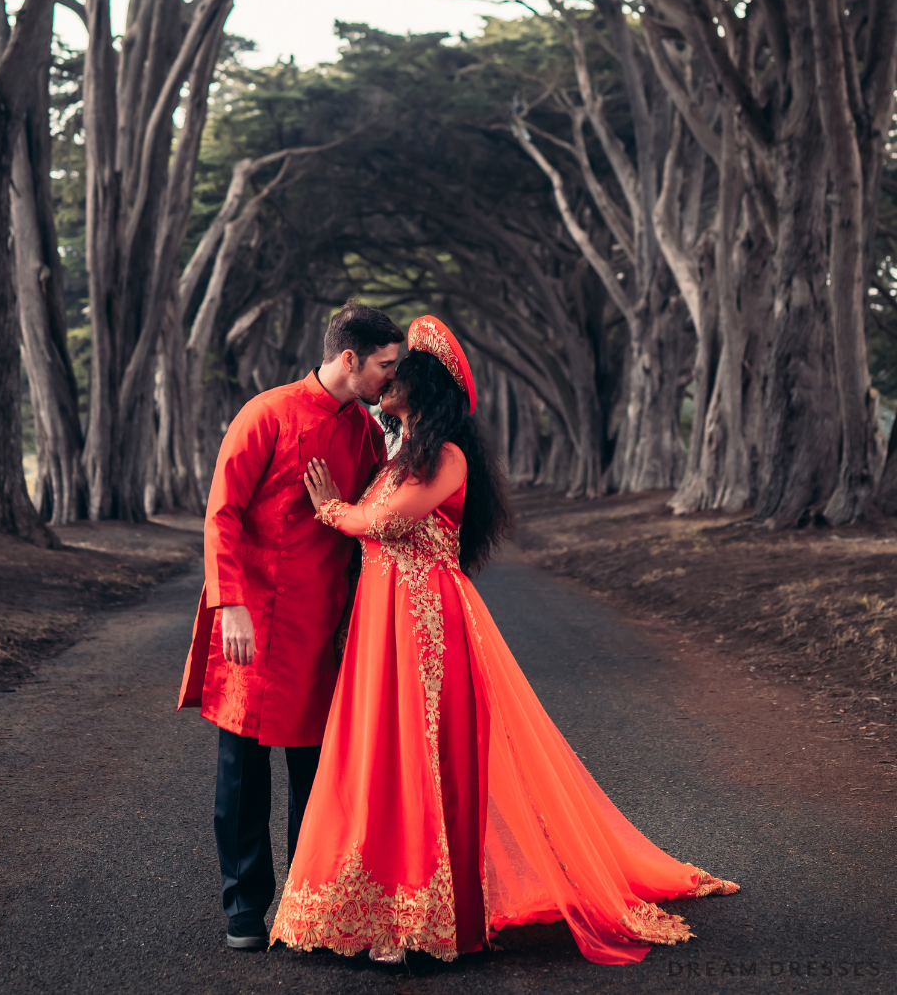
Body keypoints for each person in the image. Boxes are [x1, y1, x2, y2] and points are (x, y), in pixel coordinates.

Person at [269, 315, 739, 966]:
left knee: (425, 761)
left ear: (423, 389)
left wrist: (332, 512)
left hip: (427, 625)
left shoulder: (450, 458)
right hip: (385, 621)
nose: (386, 381)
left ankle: (428, 919)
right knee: (378, 756)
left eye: (397, 374)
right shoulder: (401, 454)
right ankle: (369, 909)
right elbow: (376, 523)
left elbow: (385, 520)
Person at [177, 300, 404, 951]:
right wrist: (232, 605)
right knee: (242, 773)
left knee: (317, 773)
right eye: (385, 368)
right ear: (350, 359)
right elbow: (222, 513)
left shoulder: (366, 432)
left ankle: (310, 907)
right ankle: (245, 910)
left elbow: (369, 521)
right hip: (250, 620)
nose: (391, 381)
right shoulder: (266, 413)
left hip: (322, 623)